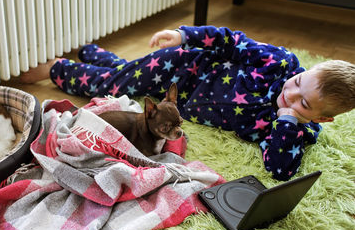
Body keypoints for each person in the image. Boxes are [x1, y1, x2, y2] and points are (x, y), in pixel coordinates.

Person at [22, 25, 355, 181]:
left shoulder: (294, 131)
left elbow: (280, 169)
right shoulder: (280, 63)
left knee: (130, 77)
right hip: (185, 67)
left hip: (179, 100)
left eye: (304, 105)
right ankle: (56, 68)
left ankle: (95, 53)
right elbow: (230, 40)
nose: (290, 95)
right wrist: (186, 36)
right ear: (303, 70)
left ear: (322, 120)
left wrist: (287, 120)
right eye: (298, 83)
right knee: (117, 83)